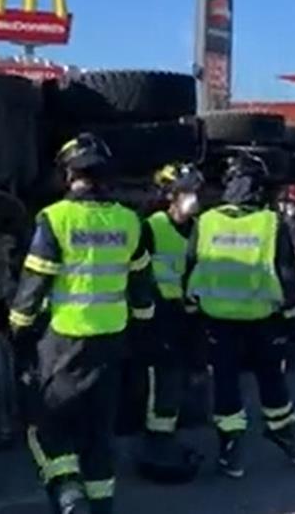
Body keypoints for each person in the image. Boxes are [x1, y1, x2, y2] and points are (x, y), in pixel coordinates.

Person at [9, 133, 158, 514]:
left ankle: (68, 495)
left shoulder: (56, 219)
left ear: (68, 174)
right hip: (110, 343)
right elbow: (143, 291)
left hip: (64, 343)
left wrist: (18, 329)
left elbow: (35, 282)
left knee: (46, 424)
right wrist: (142, 334)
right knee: (98, 433)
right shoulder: (130, 222)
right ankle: (100, 506)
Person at [182, 152, 295, 479]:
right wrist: (293, 316)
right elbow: (286, 275)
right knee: (270, 377)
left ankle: (231, 449)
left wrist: (192, 310)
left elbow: (191, 268)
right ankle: (285, 434)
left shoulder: (207, 221)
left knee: (225, 382)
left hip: (217, 319)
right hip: (262, 318)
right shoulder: (270, 223)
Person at [134, 162, 207, 483]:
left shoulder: (202, 228)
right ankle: (157, 439)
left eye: (195, 192)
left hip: (190, 313)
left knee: (185, 374)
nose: (193, 199)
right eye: (186, 192)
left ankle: (171, 428)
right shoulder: (151, 228)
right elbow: (137, 273)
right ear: (169, 196)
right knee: (163, 377)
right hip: (159, 314)